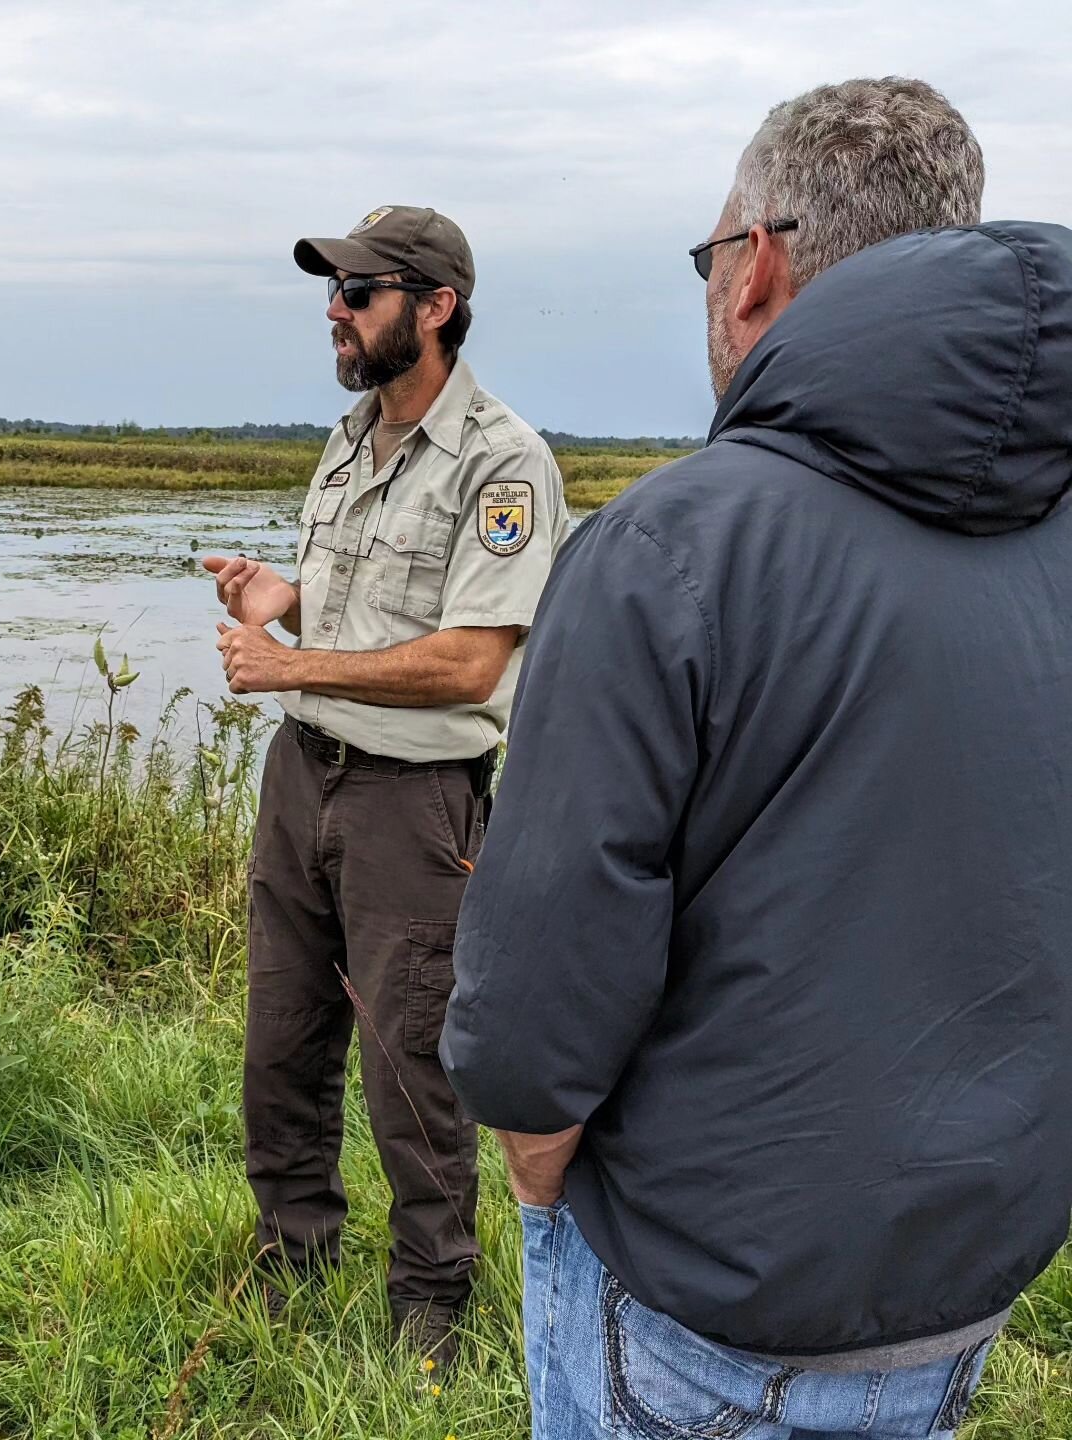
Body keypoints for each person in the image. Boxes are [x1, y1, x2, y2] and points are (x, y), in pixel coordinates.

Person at [442, 77, 1072, 1438]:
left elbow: (536, 1006)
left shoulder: (673, 549)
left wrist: (543, 1176)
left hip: (699, 1304)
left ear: (758, 266)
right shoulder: (1054, 537)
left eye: (707, 255)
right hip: (971, 1278)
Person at [203, 204, 568, 1366]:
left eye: (359, 294)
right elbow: (361, 602)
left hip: (414, 802)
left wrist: (290, 663)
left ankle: (433, 1306)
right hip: (302, 776)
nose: (336, 312)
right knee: (281, 1038)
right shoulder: (352, 437)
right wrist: (281, 596)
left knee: (408, 1056)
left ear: (436, 307)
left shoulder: (504, 462)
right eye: (334, 292)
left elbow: (471, 661)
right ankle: (293, 1252)